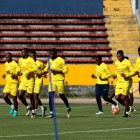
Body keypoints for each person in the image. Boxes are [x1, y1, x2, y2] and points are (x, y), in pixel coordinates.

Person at [43, 48, 71, 118]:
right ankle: (51, 112)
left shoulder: (61, 60)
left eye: (52, 54)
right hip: (52, 81)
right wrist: (40, 73)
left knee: (62, 96)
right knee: (51, 96)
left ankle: (68, 107)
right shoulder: (49, 60)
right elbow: (46, 69)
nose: (51, 55)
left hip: (60, 80)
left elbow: (66, 70)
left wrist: (57, 72)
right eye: (50, 54)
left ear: (56, 54)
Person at [113, 50, 135, 117]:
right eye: (117, 56)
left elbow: (134, 72)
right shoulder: (116, 62)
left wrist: (126, 75)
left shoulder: (127, 62)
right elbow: (117, 71)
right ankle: (129, 108)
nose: (118, 57)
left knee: (124, 97)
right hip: (119, 82)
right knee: (117, 98)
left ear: (122, 55)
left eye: (119, 56)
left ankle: (127, 111)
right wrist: (115, 75)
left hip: (126, 82)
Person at [18, 48, 38, 118]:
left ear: (27, 53)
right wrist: (18, 72)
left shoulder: (30, 59)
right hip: (23, 80)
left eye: (23, 52)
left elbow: (35, 68)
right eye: (21, 52)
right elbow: (18, 68)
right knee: (20, 95)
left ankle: (33, 111)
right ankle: (27, 106)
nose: (22, 53)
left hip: (30, 80)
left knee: (30, 96)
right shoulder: (20, 60)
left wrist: (28, 71)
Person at [30, 50, 47, 116]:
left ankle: (34, 111)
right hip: (31, 80)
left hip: (39, 80)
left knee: (35, 95)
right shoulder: (29, 63)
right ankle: (43, 107)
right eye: (30, 56)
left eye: (33, 56)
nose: (32, 57)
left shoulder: (40, 63)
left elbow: (45, 69)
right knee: (33, 96)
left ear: (35, 56)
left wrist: (42, 74)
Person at [2, 52, 19, 117]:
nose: (6, 58)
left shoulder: (15, 64)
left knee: (14, 98)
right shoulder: (6, 63)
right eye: (6, 57)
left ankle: (16, 111)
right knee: (4, 96)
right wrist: (4, 75)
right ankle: (12, 105)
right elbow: (7, 72)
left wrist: (12, 73)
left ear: (11, 57)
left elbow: (18, 73)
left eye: (8, 57)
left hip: (14, 83)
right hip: (8, 83)